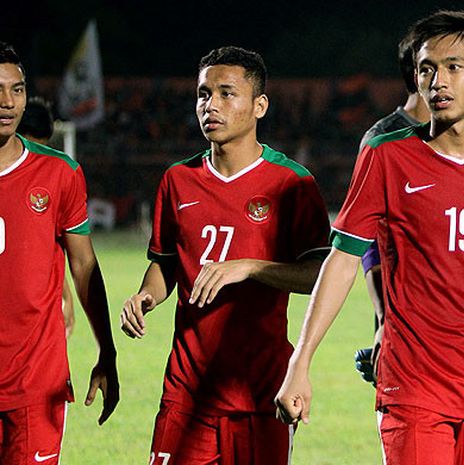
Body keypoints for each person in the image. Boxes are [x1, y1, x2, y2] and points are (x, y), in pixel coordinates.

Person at [275, 10, 464, 464]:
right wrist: (301, 362)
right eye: (427, 69)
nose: (438, 81)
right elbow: (343, 258)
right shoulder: (387, 156)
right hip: (413, 383)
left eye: (454, 67)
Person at [120, 46, 330, 465]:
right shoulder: (178, 180)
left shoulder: (292, 183)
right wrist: (146, 296)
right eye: (203, 94)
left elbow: (317, 276)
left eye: (226, 94)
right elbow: (165, 261)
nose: (210, 105)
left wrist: (250, 267)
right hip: (186, 391)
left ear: (259, 105)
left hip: (260, 390)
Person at [0, 42, 119, 465]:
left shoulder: (58, 173)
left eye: (16, 90)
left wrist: (107, 349)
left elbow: (84, 265)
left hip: (36, 383)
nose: (7, 102)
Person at [354, 29, 430, 385]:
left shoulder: (461, 137)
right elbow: (366, 238)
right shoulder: (384, 139)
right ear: (417, 73)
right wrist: (385, 319)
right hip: (401, 322)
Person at [17, 96, 76, 338]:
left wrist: (66, 297)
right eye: (31, 147)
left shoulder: (52, 180)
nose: (35, 157)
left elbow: (46, 247)